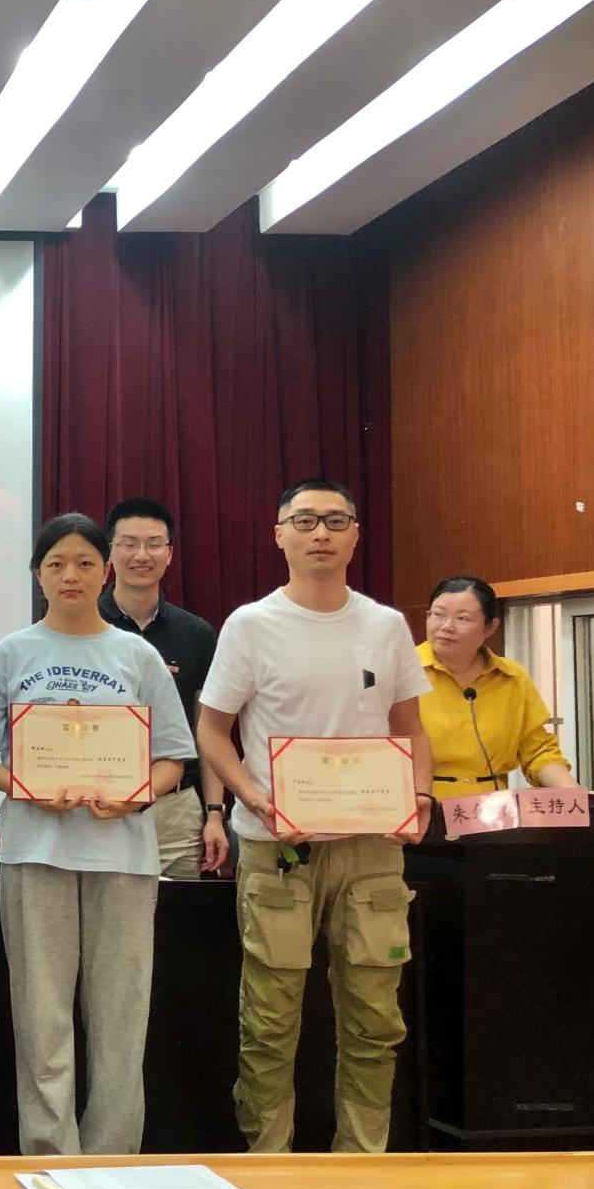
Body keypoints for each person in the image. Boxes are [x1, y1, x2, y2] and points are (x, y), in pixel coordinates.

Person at [196, 479, 435, 1154]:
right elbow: (212, 729)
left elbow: (410, 726)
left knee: (375, 1020)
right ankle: (270, 1163)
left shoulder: (385, 626)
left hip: (371, 845)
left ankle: (363, 1163)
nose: (321, 533)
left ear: (357, 534)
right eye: (304, 521)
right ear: (279, 535)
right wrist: (250, 794)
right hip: (277, 844)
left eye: (335, 520)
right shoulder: (251, 625)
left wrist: (419, 793)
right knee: (270, 1021)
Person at [0, 514, 193, 1155]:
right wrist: (24, 785)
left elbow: (173, 758)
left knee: (121, 1019)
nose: (71, 575)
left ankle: (112, 1159)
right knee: (42, 1017)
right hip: (36, 852)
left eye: (85, 563)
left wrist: (134, 795)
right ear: (37, 574)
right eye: (56, 563)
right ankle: (50, 1157)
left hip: (123, 857)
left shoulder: (137, 655)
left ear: (105, 571)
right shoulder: (11, 653)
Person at [100, 498, 229, 878]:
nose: (141, 555)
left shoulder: (196, 633)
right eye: (129, 543)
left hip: (175, 809)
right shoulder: (83, 627)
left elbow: (209, 730)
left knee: (175, 913)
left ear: (170, 554)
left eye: (154, 544)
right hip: (99, 804)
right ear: (110, 552)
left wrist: (214, 814)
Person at [418, 575, 576, 799]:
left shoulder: (512, 677)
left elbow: (538, 751)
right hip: (420, 803)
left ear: (490, 627)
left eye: (462, 618)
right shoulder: (400, 671)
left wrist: (575, 794)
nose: (446, 626)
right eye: (438, 615)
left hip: (493, 809)